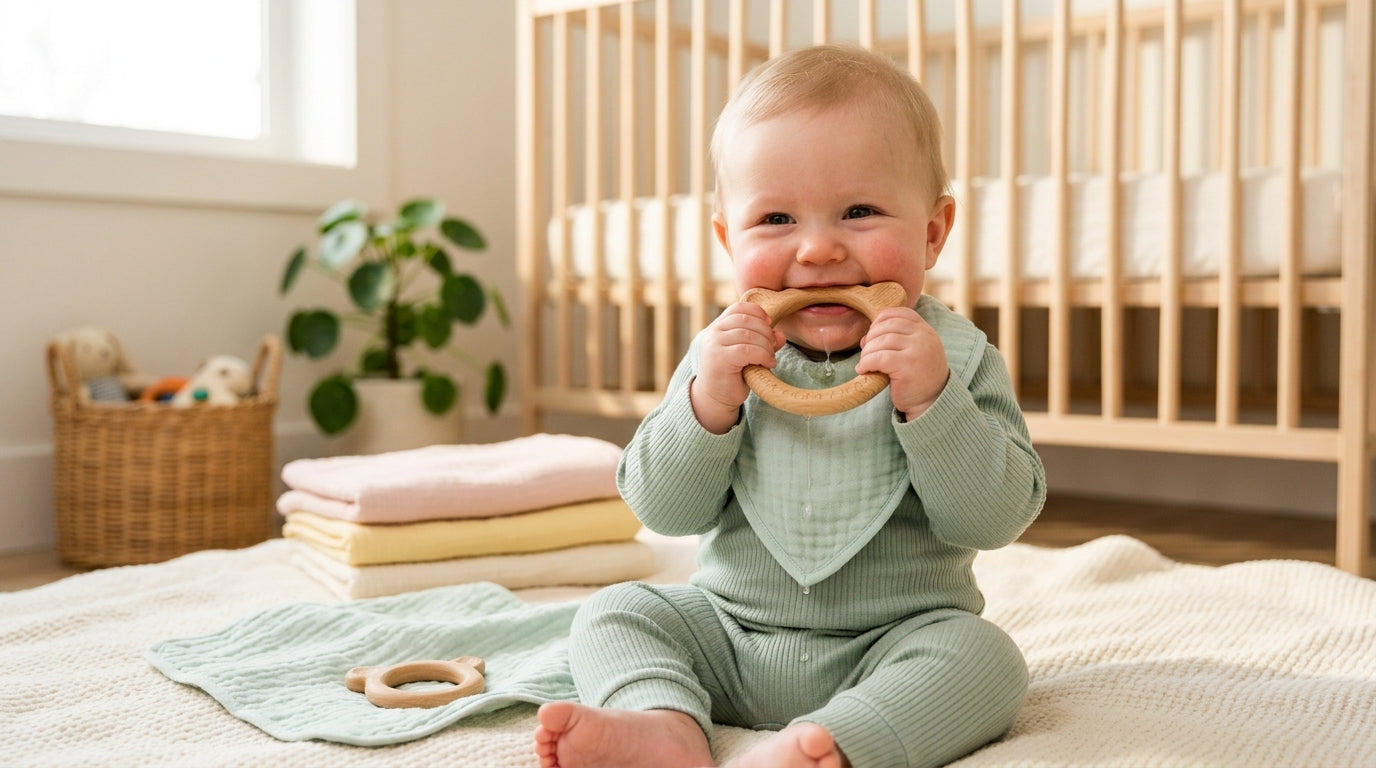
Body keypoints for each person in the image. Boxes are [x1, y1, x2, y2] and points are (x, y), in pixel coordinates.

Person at [534, 44, 1046, 768]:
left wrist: (935, 404)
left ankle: (835, 742)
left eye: (859, 212)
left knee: (987, 660)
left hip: (894, 641)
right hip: (730, 635)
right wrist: (708, 403)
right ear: (728, 239)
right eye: (776, 218)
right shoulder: (723, 354)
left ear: (932, 231)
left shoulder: (955, 359)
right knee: (616, 610)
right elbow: (663, 511)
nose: (818, 250)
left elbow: (993, 520)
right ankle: (663, 725)